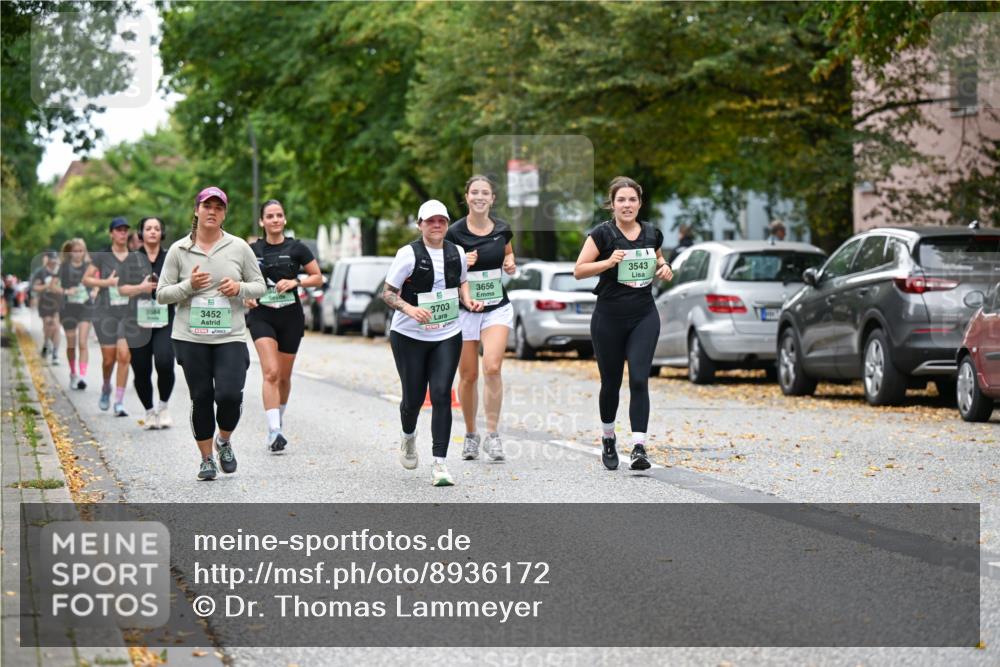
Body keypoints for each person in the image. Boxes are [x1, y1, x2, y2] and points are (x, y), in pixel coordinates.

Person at [157, 186, 265, 481]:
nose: (212, 211)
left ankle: (224, 441)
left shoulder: (239, 247)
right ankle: (206, 460)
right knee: (201, 397)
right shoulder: (179, 250)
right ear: (197, 210)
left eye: (219, 207)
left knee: (229, 395)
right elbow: (162, 294)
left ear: (224, 214)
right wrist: (188, 286)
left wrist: (239, 289)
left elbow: (260, 285)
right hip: (190, 337)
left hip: (229, 334)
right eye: (207, 206)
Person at [573, 176, 673, 472]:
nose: (627, 205)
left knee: (640, 378)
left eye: (632, 200)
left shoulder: (652, 233)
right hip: (609, 317)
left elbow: (658, 259)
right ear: (612, 204)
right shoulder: (602, 235)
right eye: (621, 200)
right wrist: (607, 262)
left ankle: (640, 447)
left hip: (643, 314)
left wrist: (665, 267)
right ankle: (608, 437)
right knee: (611, 382)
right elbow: (578, 270)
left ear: (639, 203)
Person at [382, 200, 483, 487]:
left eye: (441, 221)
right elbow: (387, 293)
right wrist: (409, 309)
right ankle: (408, 437)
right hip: (409, 334)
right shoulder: (408, 254)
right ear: (420, 225)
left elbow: (461, 281)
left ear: (447, 224)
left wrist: (467, 299)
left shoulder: (457, 253)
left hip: (447, 333)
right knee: (413, 398)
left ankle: (439, 463)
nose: (436, 225)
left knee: (441, 394)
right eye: (430, 221)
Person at [445, 175, 517, 462]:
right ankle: (471, 435)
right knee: (468, 375)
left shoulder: (502, 229)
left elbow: (508, 255)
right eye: (474, 192)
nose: (479, 197)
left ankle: (493, 435)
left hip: (496, 306)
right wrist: (461, 262)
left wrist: (511, 263)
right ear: (466, 196)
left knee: (492, 368)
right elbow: (444, 272)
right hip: (464, 311)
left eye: (484, 193)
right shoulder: (453, 232)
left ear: (492, 199)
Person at [245, 199, 323, 452]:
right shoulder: (251, 249)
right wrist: (245, 295)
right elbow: (239, 279)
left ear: (285, 219)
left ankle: (278, 418)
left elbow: (317, 277)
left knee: (284, 377)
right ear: (262, 221)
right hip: (262, 316)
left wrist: (295, 283)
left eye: (279, 215)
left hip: (290, 316)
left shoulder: (297, 248)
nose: (275, 219)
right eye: (270, 216)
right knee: (271, 372)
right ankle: (273, 430)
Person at [122, 217, 176, 430]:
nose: (152, 232)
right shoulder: (131, 259)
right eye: (148, 228)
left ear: (162, 233)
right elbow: (121, 289)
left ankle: (163, 406)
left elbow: (181, 285)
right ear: (141, 233)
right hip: (137, 322)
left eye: (156, 228)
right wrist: (140, 288)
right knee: (141, 368)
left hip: (164, 319)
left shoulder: (171, 257)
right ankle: (149, 411)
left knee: (164, 362)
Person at [84, 218, 141, 416]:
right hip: (104, 312)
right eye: (118, 230)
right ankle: (106, 385)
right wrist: (106, 283)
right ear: (111, 234)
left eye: (125, 230)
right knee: (108, 359)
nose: (122, 233)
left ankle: (119, 402)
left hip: (127, 313)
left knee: (124, 355)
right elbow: (87, 278)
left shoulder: (135, 257)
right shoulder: (102, 255)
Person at [57, 239, 93, 389]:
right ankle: (73, 373)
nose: (78, 254)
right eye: (75, 251)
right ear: (69, 252)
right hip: (68, 308)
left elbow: (96, 282)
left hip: (85, 307)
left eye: (81, 251)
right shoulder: (63, 268)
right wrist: (66, 291)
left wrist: (95, 291)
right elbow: (53, 287)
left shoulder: (89, 267)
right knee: (71, 345)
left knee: (83, 343)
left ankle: (82, 377)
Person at [30, 252, 62, 364]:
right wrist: (47, 286)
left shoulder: (61, 271)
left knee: (56, 326)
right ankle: (46, 343)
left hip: (58, 303)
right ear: (47, 260)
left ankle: (55, 353)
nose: (54, 262)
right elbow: (34, 287)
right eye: (52, 259)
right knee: (48, 324)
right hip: (45, 302)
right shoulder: (41, 272)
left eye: (55, 259)